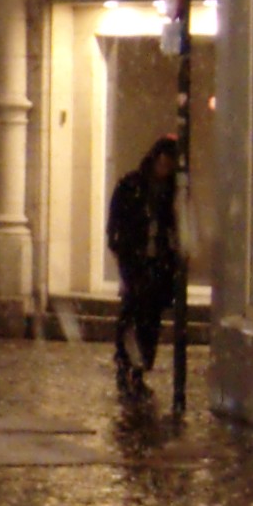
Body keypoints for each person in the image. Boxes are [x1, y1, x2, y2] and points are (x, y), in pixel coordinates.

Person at [105, 133, 186, 394]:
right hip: (136, 259)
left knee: (150, 317)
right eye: (163, 162)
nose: (165, 168)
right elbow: (116, 220)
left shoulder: (171, 193)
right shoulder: (132, 186)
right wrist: (119, 245)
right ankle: (125, 362)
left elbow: (175, 226)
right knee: (132, 311)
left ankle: (139, 366)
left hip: (158, 263)